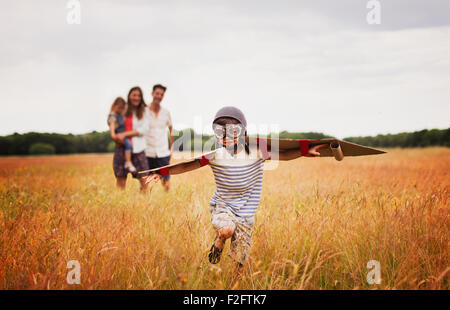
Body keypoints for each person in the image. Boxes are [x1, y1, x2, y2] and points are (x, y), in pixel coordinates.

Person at [144, 106, 329, 277]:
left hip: (247, 214)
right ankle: (219, 242)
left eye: (233, 132)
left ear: (243, 132)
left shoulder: (257, 151)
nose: (226, 137)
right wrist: (161, 173)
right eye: (219, 132)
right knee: (227, 229)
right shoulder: (215, 155)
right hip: (223, 207)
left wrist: (305, 151)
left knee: (239, 263)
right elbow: (187, 165)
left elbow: (285, 154)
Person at [112, 86, 150, 191]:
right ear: (129, 96)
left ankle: (142, 204)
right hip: (122, 148)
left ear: (141, 97)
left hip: (139, 148)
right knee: (121, 178)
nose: (136, 98)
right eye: (134, 95)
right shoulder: (123, 109)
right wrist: (116, 135)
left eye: (138, 95)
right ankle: (121, 204)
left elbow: (144, 129)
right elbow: (114, 122)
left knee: (144, 178)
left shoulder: (145, 111)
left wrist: (125, 134)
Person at [145, 84, 173, 192]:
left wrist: (171, 149)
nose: (159, 96)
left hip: (163, 153)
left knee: (166, 182)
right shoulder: (143, 111)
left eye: (162, 94)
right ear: (152, 94)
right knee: (145, 182)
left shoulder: (166, 113)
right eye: (157, 93)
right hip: (147, 152)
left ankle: (167, 204)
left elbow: (171, 131)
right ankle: (141, 205)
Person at [107, 97, 136, 173]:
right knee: (129, 146)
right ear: (114, 105)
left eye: (122, 108)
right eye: (119, 108)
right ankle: (128, 162)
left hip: (123, 135)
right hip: (120, 136)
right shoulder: (112, 117)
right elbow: (112, 133)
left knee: (130, 146)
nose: (121, 110)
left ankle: (128, 162)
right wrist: (116, 137)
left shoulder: (119, 114)